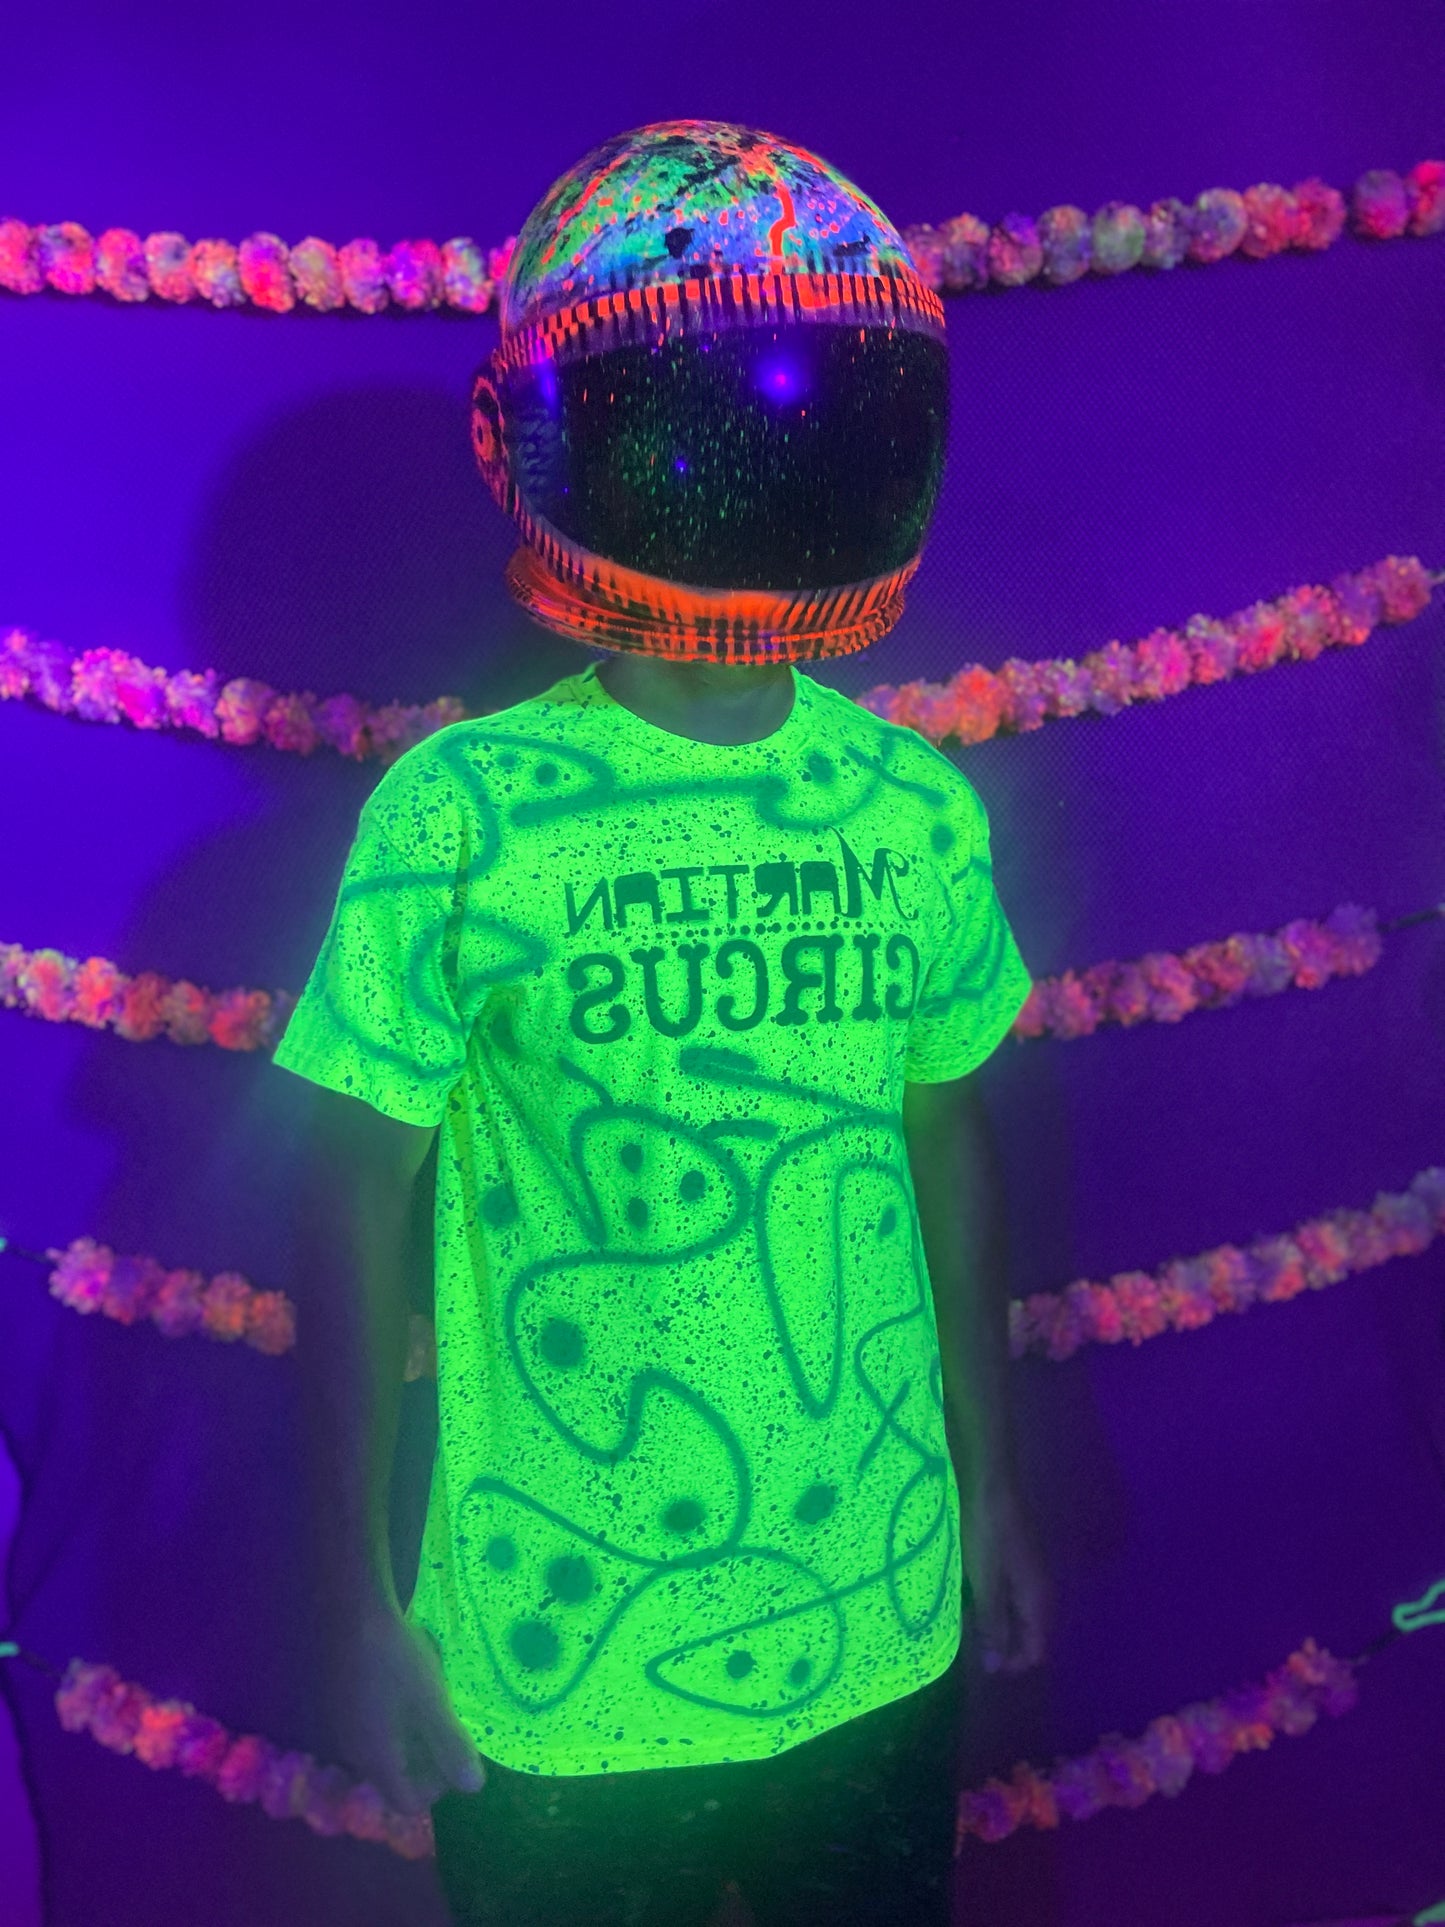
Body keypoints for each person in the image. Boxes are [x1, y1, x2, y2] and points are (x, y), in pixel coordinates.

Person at [274, 119, 1049, 1926]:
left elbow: (945, 1139)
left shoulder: (911, 805)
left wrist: (994, 1484)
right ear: (546, 441)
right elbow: (344, 1194)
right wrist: (347, 1601)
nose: (752, 477)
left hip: (878, 1613)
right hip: (565, 1664)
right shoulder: (464, 816)